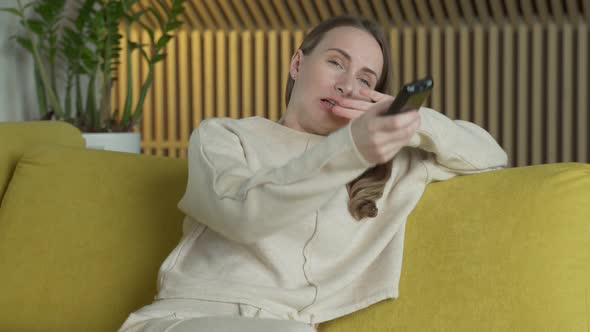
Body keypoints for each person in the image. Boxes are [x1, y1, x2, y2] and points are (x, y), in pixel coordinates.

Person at [118, 15, 507, 332]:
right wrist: (350, 148)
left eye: (366, 80)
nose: (346, 85)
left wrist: (411, 120)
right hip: (183, 319)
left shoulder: (384, 167)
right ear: (297, 63)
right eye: (336, 62)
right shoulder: (225, 136)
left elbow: (491, 156)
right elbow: (244, 214)